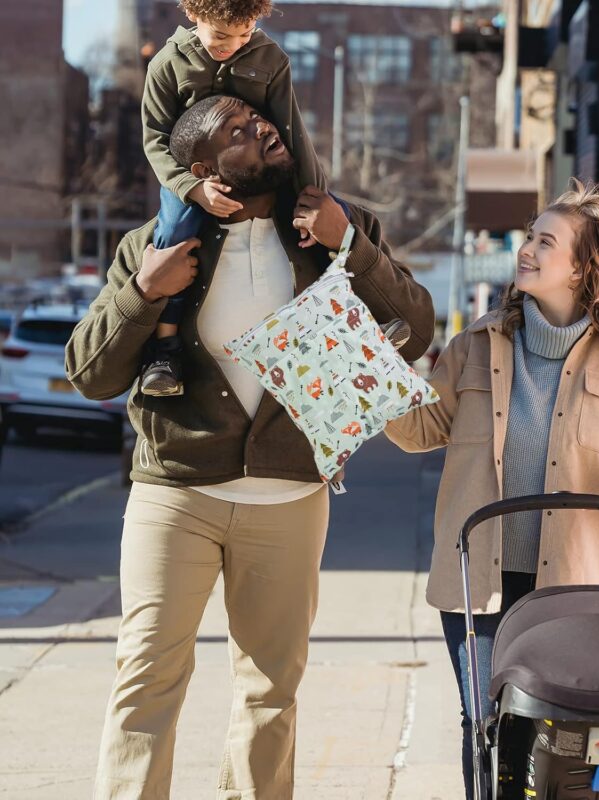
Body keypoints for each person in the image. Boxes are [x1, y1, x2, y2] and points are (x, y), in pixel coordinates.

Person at [66, 95, 434, 800]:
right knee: (146, 679)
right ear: (202, 167)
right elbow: (91, 372)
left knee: (271, 691)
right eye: (239, 130)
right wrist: (144, 291)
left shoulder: (331, 228)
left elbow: (413, 331)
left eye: (263, 121)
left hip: (291, 498)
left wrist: (349, 245)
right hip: (175, 492)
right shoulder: (156, 243)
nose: (264, 129)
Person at [384, 180, 599, 798]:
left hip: (576, 584)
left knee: (564, 729)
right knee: (486, 725)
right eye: (528, 237)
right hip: (478, 581)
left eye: (546, 242)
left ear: (582, 268)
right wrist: (373, 376)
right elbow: (419, 430)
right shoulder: (472, 348)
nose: (527, 250)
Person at [140, 0, 326, 397]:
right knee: (174, 233)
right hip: (190, 180)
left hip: (262, 174)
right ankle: (165, 349)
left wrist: (315, 193)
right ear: (193, 14)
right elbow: (155, 140)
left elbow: (291, 129)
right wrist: (191, 189)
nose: (235, 45)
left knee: (331, 220)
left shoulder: (270, 57)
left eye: (245, 34)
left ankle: (363, 314)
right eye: (222, 36)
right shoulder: (166, 65)